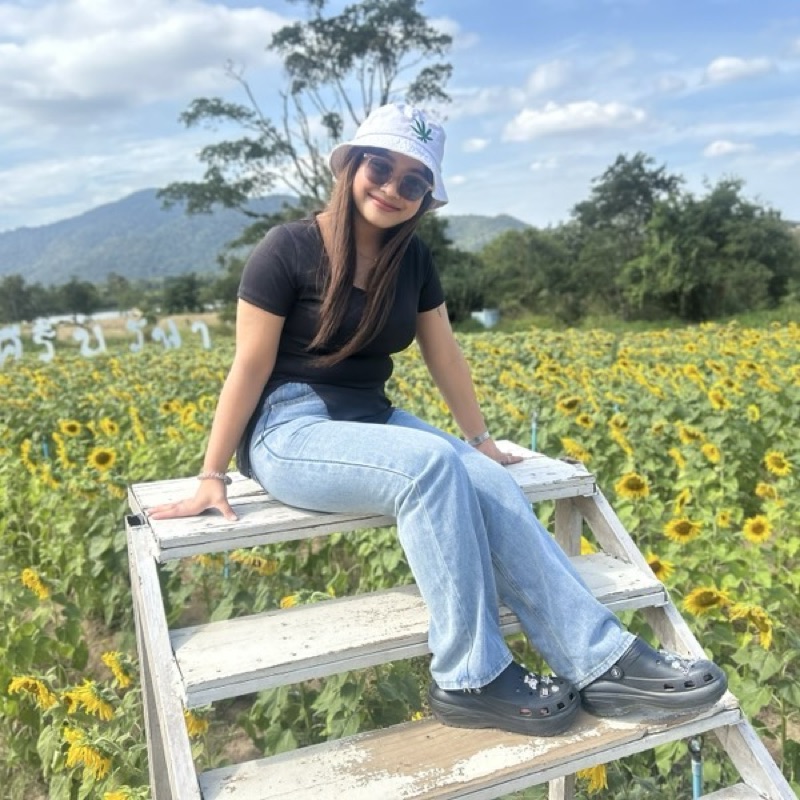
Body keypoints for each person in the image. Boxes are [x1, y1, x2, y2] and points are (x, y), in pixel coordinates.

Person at [149, 103, 727, 737]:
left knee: (487, 479)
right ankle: (469, 677)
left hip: (373, 417)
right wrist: (211, 475)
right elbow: (250, 364)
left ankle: (602, 663)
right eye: (380, 168)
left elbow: (443, 352)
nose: (393, 188)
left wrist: (480, 441)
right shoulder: (287, 247)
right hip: (289, 430)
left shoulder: (413, 260)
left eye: (414, 181)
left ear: (426, 197)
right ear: (351, 168)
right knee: (429, 467)